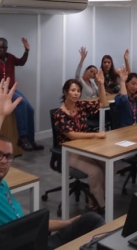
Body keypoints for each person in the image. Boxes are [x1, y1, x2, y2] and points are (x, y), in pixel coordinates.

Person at [0, 79, 104, 249]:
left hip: (29, 241)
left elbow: (22, 223)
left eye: (8, 157)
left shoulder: (1, 186)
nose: (3, 161)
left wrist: (64, 224)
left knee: (91, 220)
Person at [54, 75, 109, 213]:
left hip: (86, 149)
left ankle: (94, 195)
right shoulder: (60, 114)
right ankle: (101, 205)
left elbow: (103, 103)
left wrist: (101, 84)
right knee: (95, 172)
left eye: (78, 91)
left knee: (107, 165)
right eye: (73, 90)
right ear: (65, 92)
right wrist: (95, 134)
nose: (76, 93)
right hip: (70, 153)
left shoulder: (81, 105)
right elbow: (72, 135)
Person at [0, 37, 42, 151]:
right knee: (21, 102)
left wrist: (27, 50)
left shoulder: (9, 57)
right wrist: (7, 93)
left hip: (10, 90)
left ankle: (31, 140)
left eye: (4, 47)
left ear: (7, 48)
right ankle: (23, 138)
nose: (1, 50)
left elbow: (21, 62)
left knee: (30, 109)